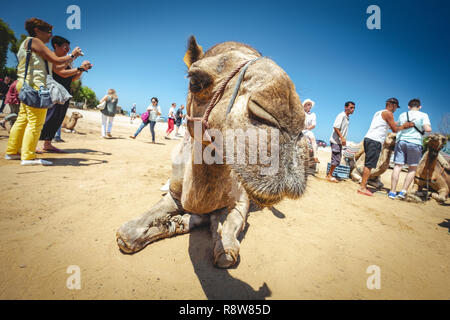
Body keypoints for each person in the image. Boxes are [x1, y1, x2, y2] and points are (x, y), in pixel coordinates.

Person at [5, 17, 83, 165]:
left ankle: (12, 151)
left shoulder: (28, 44)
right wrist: (73, 55)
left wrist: (76, 64)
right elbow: (56, 60)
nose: (50, 35)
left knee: (23, 120)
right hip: (35, 85)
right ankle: (28, 156)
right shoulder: (34, 41)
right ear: (37, 30)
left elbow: (56, 66)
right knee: (36, 122)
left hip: (26, 84)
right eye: (48, 32)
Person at [38, 35, 92, 153]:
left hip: (65, 92)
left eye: (68, 48)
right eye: (65, 48)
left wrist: (82, 68)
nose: (67, 50)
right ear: (56, 46)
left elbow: (73, 78)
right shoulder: (53, 57)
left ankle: (47, 143)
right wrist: (73, 57)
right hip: (54, 92)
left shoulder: (67, 60)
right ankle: (34, 143)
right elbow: (60, 72)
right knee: (49, 117)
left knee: (58, 118)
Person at [358, 98, 414, 196]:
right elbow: (395, 129)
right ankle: (362, 187)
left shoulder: (379, 112)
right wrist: (405, 126)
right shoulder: (389, 114)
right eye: (396, 107)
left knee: (368, 163)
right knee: (369, 165)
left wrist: (400, 123)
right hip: (375, 140)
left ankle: (363, 185)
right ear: (393, 105)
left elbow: (391, 124)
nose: (396, 109)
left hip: (369, 138)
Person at [388, 98, 432, 199]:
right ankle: (403, 192)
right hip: (415, 142)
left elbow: (396, 125)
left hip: (401, 141)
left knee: (398, 166)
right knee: (412, 167)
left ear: (409, 106)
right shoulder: (423, 115)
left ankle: (392, 192)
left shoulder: (403, 114)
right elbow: (428, 129)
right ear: (420, 107)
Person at [326, 101, 355, 182]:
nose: (352, 109)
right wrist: (342, 138)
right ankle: (329, 175)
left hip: (339, 142)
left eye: (353, 108)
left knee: (337, 159)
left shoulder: (347, 117)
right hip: (335, 141)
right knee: (335, 159)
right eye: (351, 107)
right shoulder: (341, 115)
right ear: (346, 107)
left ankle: (330, 174)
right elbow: (335, 127)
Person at [302, 98, 319, 163]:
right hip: (299, 130)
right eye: (308, 104)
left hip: (307, 130)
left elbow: (313, 125)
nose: (310, 106)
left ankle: (315, 156)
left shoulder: (313, 115)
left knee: (312, 138)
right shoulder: (301, 113)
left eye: (310, 105)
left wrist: (306, 128)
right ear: (304, 105)